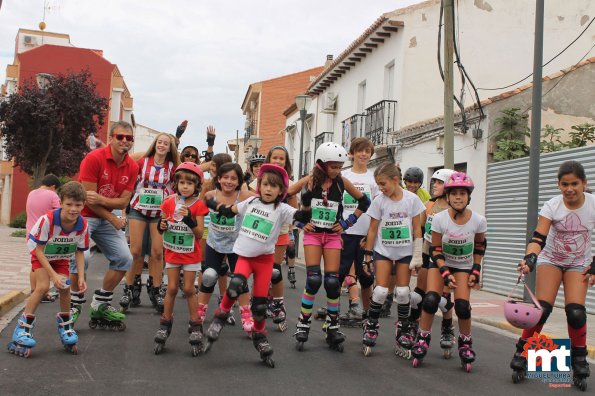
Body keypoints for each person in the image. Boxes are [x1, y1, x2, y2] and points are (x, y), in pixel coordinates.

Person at [203, 164, 311, 367]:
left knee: (260, 307)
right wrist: (214, 204)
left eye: (274, 186)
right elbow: (228, 211)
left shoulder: (282, 209)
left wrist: (306, 204)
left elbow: (304, 218)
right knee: (235, 284)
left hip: (264, 261)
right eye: (265, 185)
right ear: (259, 185)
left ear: (281, 191)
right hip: (244, 256)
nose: (269, 189)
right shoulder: (251, 201)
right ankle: (220, 317)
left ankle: (260, 337)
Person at [511, 161, 594, 389]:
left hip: (579, 263)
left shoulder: (593, 205)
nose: (570, 189)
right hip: (552, 260)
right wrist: (530, 258)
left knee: (576, 313)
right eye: (565, 184)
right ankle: (523, 353)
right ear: (559, 185)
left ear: (584, 183)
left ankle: (579, 362)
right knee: (542, 310)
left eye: (574, 184)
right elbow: (538, 237)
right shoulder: (552, 206)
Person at [288, 142, 370, 352]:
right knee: (314, 279)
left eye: (339, 166)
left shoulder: (342, 182)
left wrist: (346, 223)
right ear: (322, 164)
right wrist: (297, 222)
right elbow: (285, 196)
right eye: (333, 166)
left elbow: (365, 202)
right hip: (314, 235)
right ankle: (303, 322)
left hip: (332, 236)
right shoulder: (309, 181)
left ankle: (333, 325)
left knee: (333, 282)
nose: (337, 171)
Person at [410, 172, 486, 371]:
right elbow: (435, 250)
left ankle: (465, 342)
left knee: (461, 306)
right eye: (454, 194)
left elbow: (479, 247)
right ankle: (423, 337)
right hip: (440, 263)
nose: (458, 197)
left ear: (469, 197)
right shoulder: (439, 219)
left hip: (463, 266)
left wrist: (476, 270)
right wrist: (444, 273)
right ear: (448, 197)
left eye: (462, 193)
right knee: (430, 299)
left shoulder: (478, 220)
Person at [8, 182, 88, 357]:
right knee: (43, 287)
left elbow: (80, 252)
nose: (73, 209)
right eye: (69, 204)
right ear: (60, 203)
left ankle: (66, 326)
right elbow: (39, 251)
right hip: (42, 255)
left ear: (84, 204)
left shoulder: (82, 224)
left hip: (61, 258)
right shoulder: (48, 220)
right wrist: (53, 276)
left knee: (65, 287)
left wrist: (81, 277)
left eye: (78, 205)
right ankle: (22, 328)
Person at [73, 120, 138, 330]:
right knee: (84, 256)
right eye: (120, 137)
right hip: (84, 216)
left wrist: (103, 202)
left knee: (124, 258)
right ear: (111, 138)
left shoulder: (133, 166)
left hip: (109, 215)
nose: (125, 141)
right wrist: (112, 215)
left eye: (129, 138)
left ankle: (100, 304)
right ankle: (73, 305)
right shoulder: (93, 158)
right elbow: (88, 200)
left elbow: (123, 202)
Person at [361, 163, 425, 357]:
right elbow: (372, 229)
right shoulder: (379, 201)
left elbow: (416, 229)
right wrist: (367, 255)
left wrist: (417, 254)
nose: (381, 188)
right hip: (384, 251)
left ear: (395, 180)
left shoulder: (412, 200)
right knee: (380, 291)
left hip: (405, 252)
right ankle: (371, 326)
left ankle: (404, 330)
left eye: (383, 184)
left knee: (404, 292)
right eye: (378, 185)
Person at [120, 133, 180, 313]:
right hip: (139, 209)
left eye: (166, 143)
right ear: (155, 145)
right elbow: (125, 164)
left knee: (157, 252)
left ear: (170, 148)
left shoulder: (173, 167)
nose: (162, 145)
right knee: (135, 250)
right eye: (159, 142)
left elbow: (188, 176)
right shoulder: (142, 162)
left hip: (159, 213)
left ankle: (156, 288)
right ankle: (129, 288)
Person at [153, 162, 209, 356]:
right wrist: (161, 226)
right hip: (173, 252)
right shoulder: (168, 202)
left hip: (190, 254)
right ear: (176, 183)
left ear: (197, 186)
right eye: (182, 182)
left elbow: (200, 234)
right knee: (171, 288)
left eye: (189, 183)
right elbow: (161, 227)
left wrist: (189, 220)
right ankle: (165, 321)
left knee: (188, 288)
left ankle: (195, 325)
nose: (185, 186)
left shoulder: (198, 205)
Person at [198, 163, 255, 337]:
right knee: (208, 276)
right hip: (215, 243)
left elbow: (265, 205)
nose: (229, 181)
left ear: (239, 181)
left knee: (240, 281)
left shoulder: (246, 196)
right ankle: (199, 313)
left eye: (233, 178)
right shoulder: (210, 195)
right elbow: (197, 210)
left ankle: (246, 316)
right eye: (225, 177)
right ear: (219, 178)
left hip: (237, 246)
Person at [409, 168, 457, 358]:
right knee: (417, 297)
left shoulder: (455, 208)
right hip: (428, 255)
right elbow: (418, 229)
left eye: (438, 182)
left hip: (447, 260)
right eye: (433, 182)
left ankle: (447, 329)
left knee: (442, 301)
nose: (434, 185)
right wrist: (417, 255)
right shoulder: (428, 205)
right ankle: (412, 325)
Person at [380, 166, 431, 318]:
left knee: (410, 269)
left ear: (420, 183)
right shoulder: (399, 191)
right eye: (409, 181)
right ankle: (388, 299)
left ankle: (409, 302)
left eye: (415, 182)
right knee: (393, 270)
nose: (412, 185)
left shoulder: (424, 196)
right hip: (398, 233)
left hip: (415, 234)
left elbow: (424, 218)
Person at [338, 137, 379, 327]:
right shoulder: (343, 176)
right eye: (360, 150)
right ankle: (334, 314)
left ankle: (368, 316)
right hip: (345, 233)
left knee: (366, 277)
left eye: (367, 151)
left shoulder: (374, 178)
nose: (363, 154)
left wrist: (372, 235)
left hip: (365, 236)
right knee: (339, 275)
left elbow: (378, 208)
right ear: (352, 153)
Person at [262, 145, 297, 332]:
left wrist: (292, 231)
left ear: (286, 162)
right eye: (274, 157)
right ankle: (261, 300)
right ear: (268, 159)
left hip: (281, 231)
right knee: (261, 269)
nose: (277, 161)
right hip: (261, 230)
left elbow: (295, 209)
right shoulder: (258, 181)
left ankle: (278, 305)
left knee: (275, 270)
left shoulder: (290, 184)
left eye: (281, 158)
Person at [26, 174, 62, 302]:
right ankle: (43, 293)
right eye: (56, 189)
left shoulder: (31, 193)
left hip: (31, 234)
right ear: (53, 186)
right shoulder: (52, 195)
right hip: (44, 235)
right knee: (44, 264)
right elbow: (60, 214)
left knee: (34, 264)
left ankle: (33, 291)